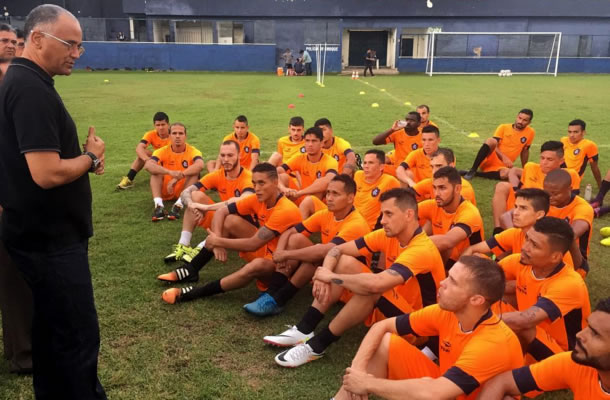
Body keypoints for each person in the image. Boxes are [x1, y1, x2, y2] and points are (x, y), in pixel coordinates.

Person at [0, 4, 107, 398]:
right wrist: (91, 157)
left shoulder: (25, 81)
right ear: (39, 39)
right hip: (51, 242)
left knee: (49, 331)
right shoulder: (30, 89)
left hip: (37, 234)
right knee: (78, 336)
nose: (77, 54)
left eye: (80, 46)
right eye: (71, 44)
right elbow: (45, 174)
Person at [268, 188, 445, 368]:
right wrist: (325, 273)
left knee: (372, 288)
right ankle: (304, 329)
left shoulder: (421, 248)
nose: (382, 220)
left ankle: (316, 346)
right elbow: (336, 250)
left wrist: (331, 277)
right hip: (394, 308)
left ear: (409, 215)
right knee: (344, 262)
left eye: (389, 214)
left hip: (419, 328)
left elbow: (377, 284)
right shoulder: (388, 235)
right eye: (382, 213)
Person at [331, 256, 522, 400]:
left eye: (452, 282)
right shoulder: (446, 312)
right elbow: (382, 326)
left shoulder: (493, 342)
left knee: (428, 389)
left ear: (476, 300)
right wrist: (357, 370)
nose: (442, 283)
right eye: (448, 277)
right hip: (446, 388)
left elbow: (434, 393)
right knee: (386, 342)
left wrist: (368, 384)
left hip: (446, 392)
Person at [158, 163, 302, 304]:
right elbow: (222, 211)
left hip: (282, 266)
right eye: (254, 183)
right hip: (267, 249)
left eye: (261, 183)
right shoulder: (258, 198)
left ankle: (195, 292)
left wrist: (218, 241)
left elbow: (253, 244)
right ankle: (191, 269)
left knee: (255, 265)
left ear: (275, 182)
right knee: (229, 221)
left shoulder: (285, 210)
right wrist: (217, 239)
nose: (257, 189)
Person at [242, 174, 370, 316]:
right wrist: (280, 250)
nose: (329, 198)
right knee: (296, 239)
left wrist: (286, 254)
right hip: (330, 269)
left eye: (335, 194)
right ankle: (272, 295)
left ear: (350, 198)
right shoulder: (327, 214)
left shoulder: (356, 224)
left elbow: (326, 251)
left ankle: (278, 298)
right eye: (328, 192)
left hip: (349, 284)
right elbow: (291, 231)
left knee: (315, 256)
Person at [495, 217, 590, 362]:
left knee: (522, 326)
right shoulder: (520, 262)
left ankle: (518, 366)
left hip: (565, 354)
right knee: (489, 300)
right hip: (537, 334)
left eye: (534, 245)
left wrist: (478, 320)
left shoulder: (569, 283)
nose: (525, 247)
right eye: (527, 239)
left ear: (555, 257)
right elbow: (483, 279)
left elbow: (524, 321)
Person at [479, 297, 610, 400]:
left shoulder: (569, 283)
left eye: (595, 334)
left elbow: (523, 320)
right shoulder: (576, 365)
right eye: (588, 327)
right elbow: (501, 382)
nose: (580, 335)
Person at [163, 140, 254, 263]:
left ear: (239, 155)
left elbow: (240, 201)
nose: (225, 159)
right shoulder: (218, 175)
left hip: (245, 228)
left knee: (228, 216)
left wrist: (205, 208)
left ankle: (202, 247)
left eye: (230, 155)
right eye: (222, 155)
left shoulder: (248, 178)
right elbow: (185, 193)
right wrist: (192, 205)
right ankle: (184, 244)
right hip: (223, 222)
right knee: (195, 196)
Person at [491, 140, 579, 233]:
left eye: (549, 159)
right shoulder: (530, 167)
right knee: (502, 186)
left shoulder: (569, 175)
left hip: (542, 211)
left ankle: (514, 235)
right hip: (520, 204)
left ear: (561, 161)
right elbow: (514, 171)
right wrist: (516, 189)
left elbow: (569, 201)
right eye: (542, 158)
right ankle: (498, 230)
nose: (544, 162)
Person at [418, 167, 484, 270]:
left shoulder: (470, 212)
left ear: (457, 189)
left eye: (442, 188)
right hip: (446, 259)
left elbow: (447, 241)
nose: (436, 194)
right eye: (434, 188)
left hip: (469, 265)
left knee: (443, 245)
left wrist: (412, 243)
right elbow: (403, 216)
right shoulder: (433, 205)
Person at [463, 188, 549, 260]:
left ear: (539, 215)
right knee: (476, 257)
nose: (515, 212)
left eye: (523, 208)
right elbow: (472, 249)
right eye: (516, 207)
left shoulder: (549, 243)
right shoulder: (514, 233)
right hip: (512, 275)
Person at [145, 122, 204, 222]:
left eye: (181, 133)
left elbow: (200, 165)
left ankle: (178, 205)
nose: (177, 136)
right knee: (155, 171)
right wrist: (169, 172)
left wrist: (178, 177)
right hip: (166, 188)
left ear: (185, 136)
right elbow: (148, 165)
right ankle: (158, 205)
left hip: (184, 188)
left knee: (195, 173)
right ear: (169, 136)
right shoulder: (161, 151)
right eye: (174, 133)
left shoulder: (193, 151)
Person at [544, 169, 594, 275]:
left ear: (569, 189)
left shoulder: (583, 208)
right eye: (547, 193)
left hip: (574, 259)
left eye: (555, 194)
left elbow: (570, 235)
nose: (550, 198)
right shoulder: (543, 201)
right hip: (544, 251)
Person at [463, 109, 535, 181]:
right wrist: (504, 157)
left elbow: (525, 151)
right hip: (489, 159)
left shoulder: (530, 132)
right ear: (517, 116)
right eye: (520, 118)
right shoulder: (503, 127)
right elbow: (494, 145)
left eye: (525, 120)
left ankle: (475, 174)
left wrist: (524, 168)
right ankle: (473, 170)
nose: (520, 121)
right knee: (491, 140)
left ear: (529, 122)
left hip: (503, 166)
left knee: (507, 174)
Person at [277, 126, 338, 203]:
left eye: (314, 141)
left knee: (317, 188)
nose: (310, 144)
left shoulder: (330, 161)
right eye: (307, 141)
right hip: (301, 197)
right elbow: (276, 172)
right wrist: (283, 188)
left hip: (320, 204)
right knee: (282, 177)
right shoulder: (299, 158)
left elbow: (329, 180)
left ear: (322, 143)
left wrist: (300, 193)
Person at [117, 111, 171, 189]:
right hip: (158, 160)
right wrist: (147, 160)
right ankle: (129, 178)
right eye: (158, 125)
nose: (160, 127)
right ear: (154, 125)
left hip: (172, 162)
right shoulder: (150, 134)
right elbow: (139, 148)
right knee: (143, 153)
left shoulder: (174, 134)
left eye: (163, 124)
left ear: (168, 125)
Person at [412, 148, 476, 205]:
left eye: (439, 166)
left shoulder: (463, 189)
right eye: (432, 167)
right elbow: (408, 194)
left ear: (451, 166)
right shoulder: (431, 182)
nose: (434, 172)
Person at [372, 111, 422, 177]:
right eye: (407, 120)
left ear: (419, 123)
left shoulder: (424, 135)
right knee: (374, 167)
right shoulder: (397, 133)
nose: (408, 122)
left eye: (412, 120)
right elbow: (375, 142)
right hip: (398, 168)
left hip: (415, 169)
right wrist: (392, 129)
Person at [561, 119, 601, 188]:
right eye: (569, 132)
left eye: (575, 132)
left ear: (583, 132)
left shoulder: (589, 145)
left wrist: (600, 186)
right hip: (560, 172)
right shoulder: (563, 140)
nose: (571, 135)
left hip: (573, 178)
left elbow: (594, 168)